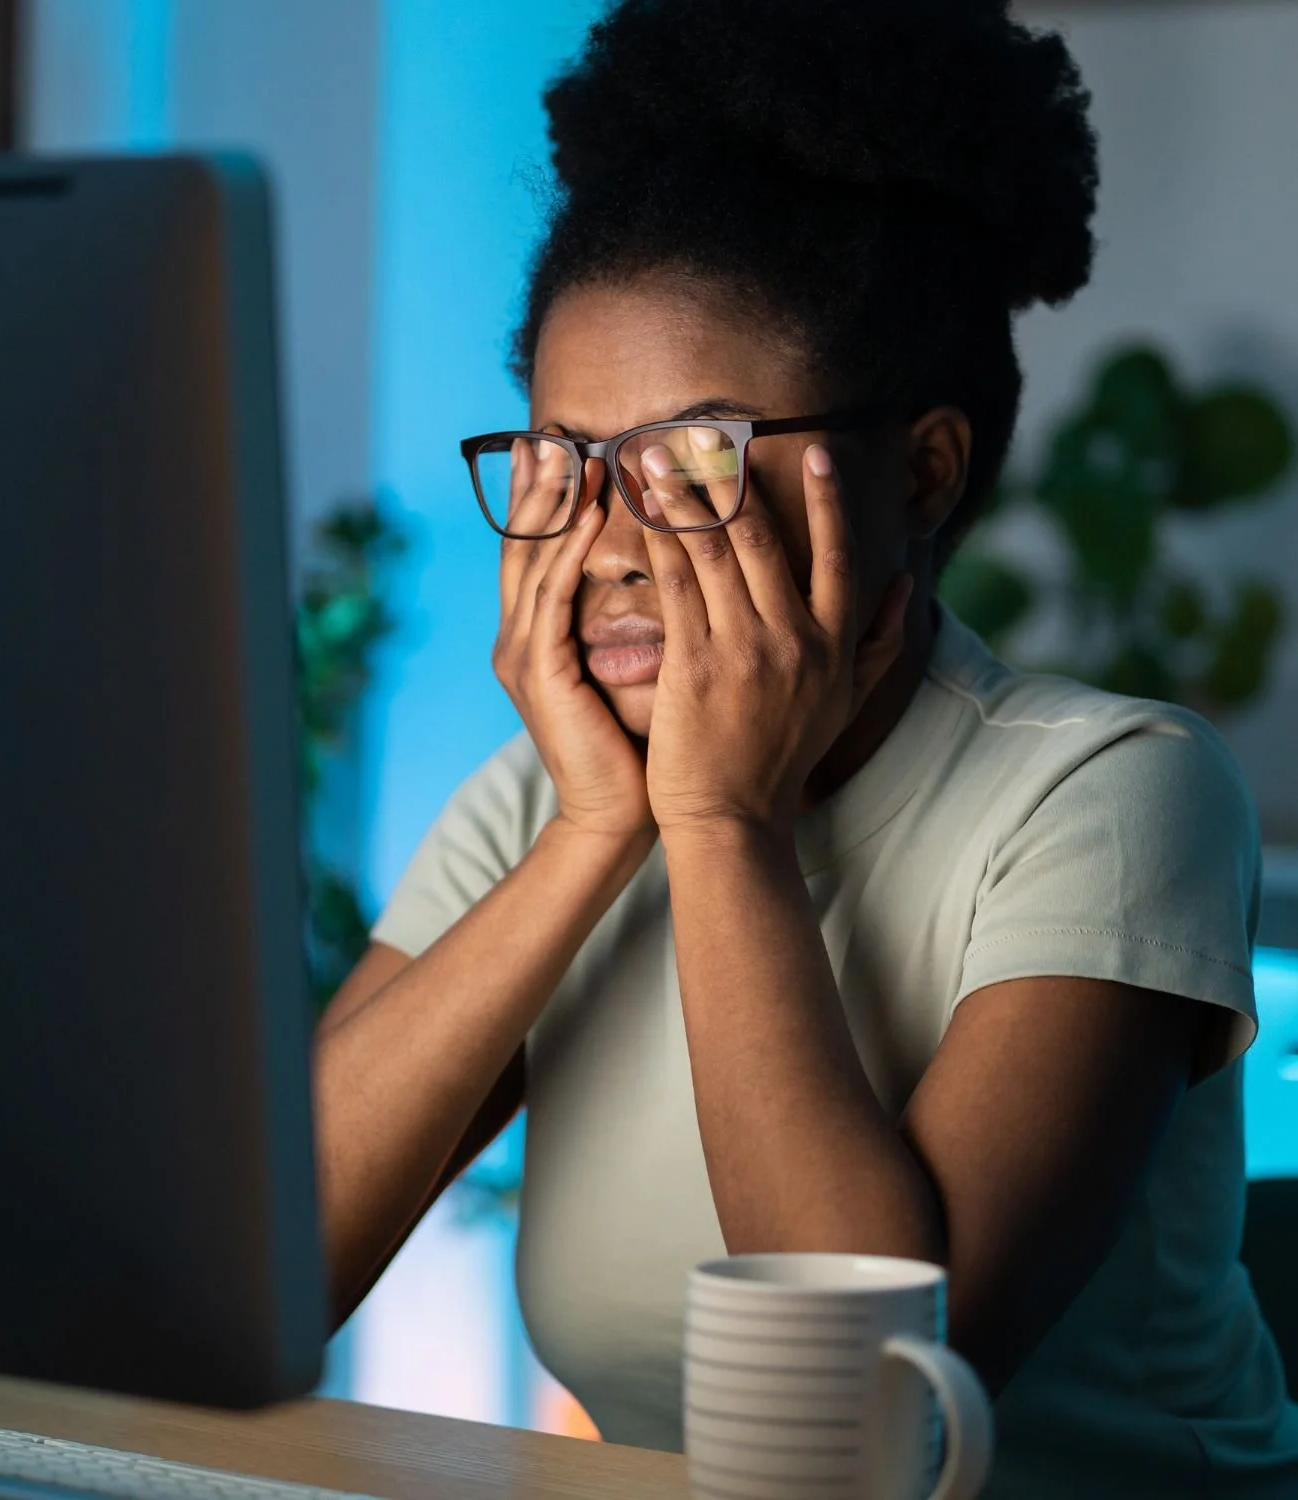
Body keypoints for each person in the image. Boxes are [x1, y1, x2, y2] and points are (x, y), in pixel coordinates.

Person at [311, 0, 1298, 1491]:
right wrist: (594, 834)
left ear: (921, 474)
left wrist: (719, 826)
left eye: (692, 464)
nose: (608, 547)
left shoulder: (1115, 793)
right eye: (567, 464)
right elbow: (274, 1265)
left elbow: (874, 1421)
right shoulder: (547, 798)